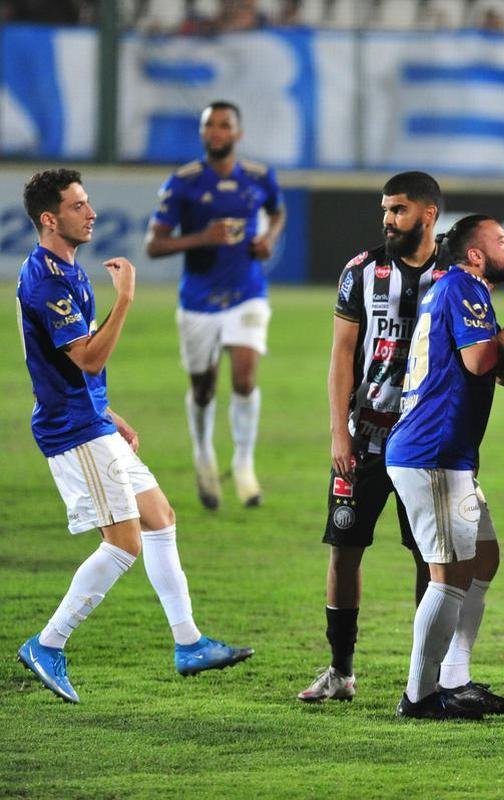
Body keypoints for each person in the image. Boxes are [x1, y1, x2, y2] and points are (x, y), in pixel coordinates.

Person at [15, 169, 253, 704]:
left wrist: (109, 410)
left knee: (160, 518)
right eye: (78, 205)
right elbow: (89, 356)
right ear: (50, 219)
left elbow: (65, 368)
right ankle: (48, 643)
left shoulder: (65, 269)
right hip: (74, 432)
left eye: (89, 202)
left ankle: (189, 643)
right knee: (122, 543)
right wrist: (125, 298)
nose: (91, 212)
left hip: (90, 418)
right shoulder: (48, 280)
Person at [297, 171, 443, 704]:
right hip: (366, 438)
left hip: (427, 445)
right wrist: (340, 432)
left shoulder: (454, 272)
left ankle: (426, 676)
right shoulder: (361, 271)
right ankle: (340, 670)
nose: (388, 219)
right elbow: (341, 355)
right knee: (344, 548)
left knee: (430, 558)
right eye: (385, 210)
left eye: (399, 210)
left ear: (428, 214)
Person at [385, 214, 504, 719]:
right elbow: (482, 361)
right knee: (447, 574)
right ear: (476, 255)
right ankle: (419, 695)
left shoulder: (463, 289)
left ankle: (453, 678)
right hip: (433, 454)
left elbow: (500, 371)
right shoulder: (463, 284)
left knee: (483, 559)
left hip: (445, 453)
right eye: (500, 239)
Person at [145, 100, 287, 510]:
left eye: (225, 125)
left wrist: (269, 239)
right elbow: (154, 245)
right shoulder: (184, 182)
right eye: (210, 126)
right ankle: (203, 453)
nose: (217, 132)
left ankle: (244, 463)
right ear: (203, 133)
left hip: (247, 293)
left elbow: (277, 211)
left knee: (244, 378)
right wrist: (202, 238)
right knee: (203, 388)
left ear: (238, 133)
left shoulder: (260, 176)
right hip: (198, 301)